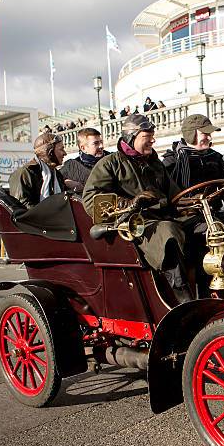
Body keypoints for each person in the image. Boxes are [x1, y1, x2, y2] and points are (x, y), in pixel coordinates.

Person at [82, 115, 192, 304]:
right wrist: (131, 202)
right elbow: (91, 199)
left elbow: (175, 195)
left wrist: (193, 204)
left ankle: (214, 286)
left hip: (163, 217)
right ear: (131, 137)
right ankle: (183, 298)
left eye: (152, 136)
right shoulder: (110, 164)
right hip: (134, 224)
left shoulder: (155, 163)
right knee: (168, 232)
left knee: (207, 226)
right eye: (146, 137)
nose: (152, 140)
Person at [161, 114, 224, 294]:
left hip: (214, 214)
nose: (208, 137)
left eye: (209, 133)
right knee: (212, 232)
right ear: (191, 134)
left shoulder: (215, 158)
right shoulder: (171, 162)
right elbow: (166, 197)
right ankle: (215, 289)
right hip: (186, 219)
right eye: (204, 133)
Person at [9, 133, 66, 208]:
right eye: (61, 149)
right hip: (36, 219)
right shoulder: (25, 173)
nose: (65, 153)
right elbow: (21, 208)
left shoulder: (57, 175)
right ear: (49, 152)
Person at [59, 127, 105, 195]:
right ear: (83, 148)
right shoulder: (71, 167)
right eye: (96, 143)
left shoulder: (112, 160)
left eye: (101, 142)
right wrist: (66, 182)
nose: (101, 146)